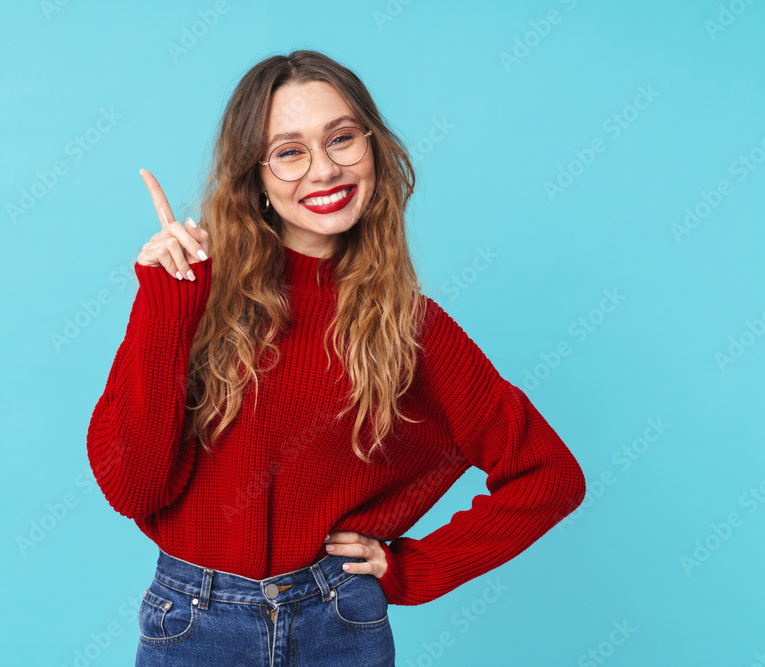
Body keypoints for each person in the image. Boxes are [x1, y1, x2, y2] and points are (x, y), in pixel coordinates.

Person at [86, 49, 586, 666]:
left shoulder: (409, 326)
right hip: (195, 623)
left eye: (342, 139)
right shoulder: (191, 295)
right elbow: (134, 487)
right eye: (290, 151)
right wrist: (168, 300)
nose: (324, 169)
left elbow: (550, 475)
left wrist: (412, 570)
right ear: (257, 178)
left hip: (337, 623)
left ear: (372, 148)